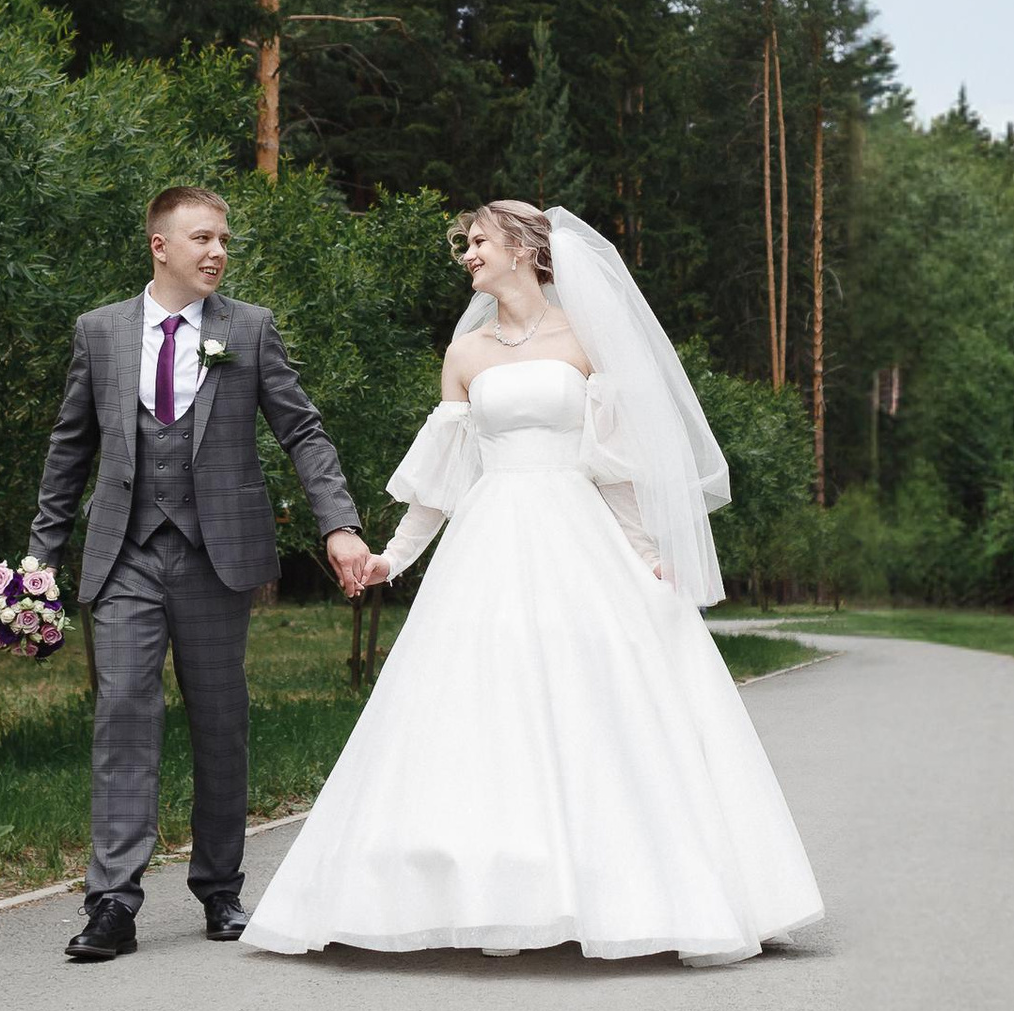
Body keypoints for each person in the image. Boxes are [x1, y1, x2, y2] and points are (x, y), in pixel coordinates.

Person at [242, 202, 823, 966]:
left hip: (575, 535)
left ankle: (626, 887)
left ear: (524, 249)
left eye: (479, 241)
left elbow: (613, 467)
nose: (468, 256)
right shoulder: (465, 353)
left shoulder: (586, 340)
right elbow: (441, 481)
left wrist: (649, 551)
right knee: (480, 703)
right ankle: (484, 888)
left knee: (597, 703)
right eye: (467, 245)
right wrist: (395, 557)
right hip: (488, 537)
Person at [29, 185, 371, 961]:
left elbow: (303, 430)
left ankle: (221, 889)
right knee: (122, 715)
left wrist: (339, 524)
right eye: (202, 239)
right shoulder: (101, 333)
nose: (217, 252)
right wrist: (40, 558)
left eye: (224, 239)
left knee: (220, 720)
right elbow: (68, 451)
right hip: (123, 554)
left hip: (216, 554)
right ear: (160, 246)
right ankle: (112, 904)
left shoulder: (248, 329)